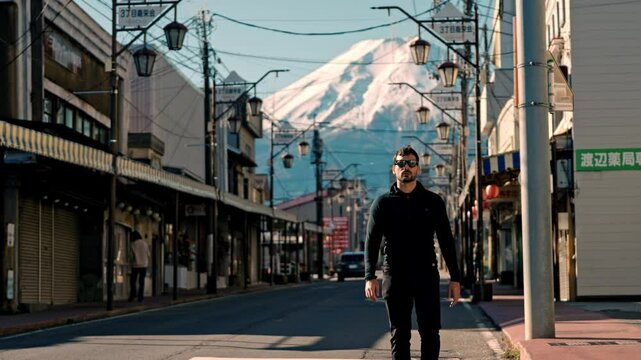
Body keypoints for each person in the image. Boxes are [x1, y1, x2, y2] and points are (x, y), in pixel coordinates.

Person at [364, 145, 461, 360]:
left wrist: (456, 278)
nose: (406, 167)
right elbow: (372, 242)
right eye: (401, 163)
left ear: (418, 169)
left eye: (411, 163)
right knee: (399, 334)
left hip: (426, 273)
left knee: (430, 333)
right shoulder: (382, 204)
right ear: (394, 169)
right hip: (395, 275)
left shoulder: (433, 202)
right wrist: (370, 276)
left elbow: (446, 240)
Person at [129, 230, 150, 302]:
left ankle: (133, 294)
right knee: (142, 282)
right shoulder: (145, 244)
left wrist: (131, 261)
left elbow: (131, 256)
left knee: (133, 281)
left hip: (135, 265)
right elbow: (148, 254)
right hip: (144, 264)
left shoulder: (133, 244)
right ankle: (140, 297)